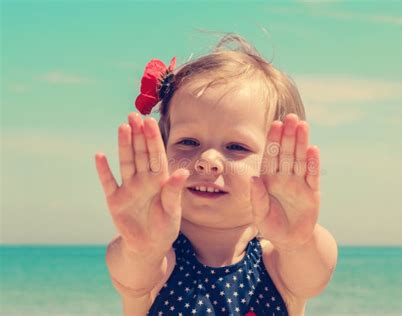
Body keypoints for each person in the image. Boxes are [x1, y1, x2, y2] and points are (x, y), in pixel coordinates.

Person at [95, 33, 338, 316]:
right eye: (188, 142)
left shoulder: (277, 264)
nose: (207, 160)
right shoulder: (158, 260)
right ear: (161, 148)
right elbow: (131, 276)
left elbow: (314, 274)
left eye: (236, 146)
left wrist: (297, 240)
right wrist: (141, 250)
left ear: (281, 161)